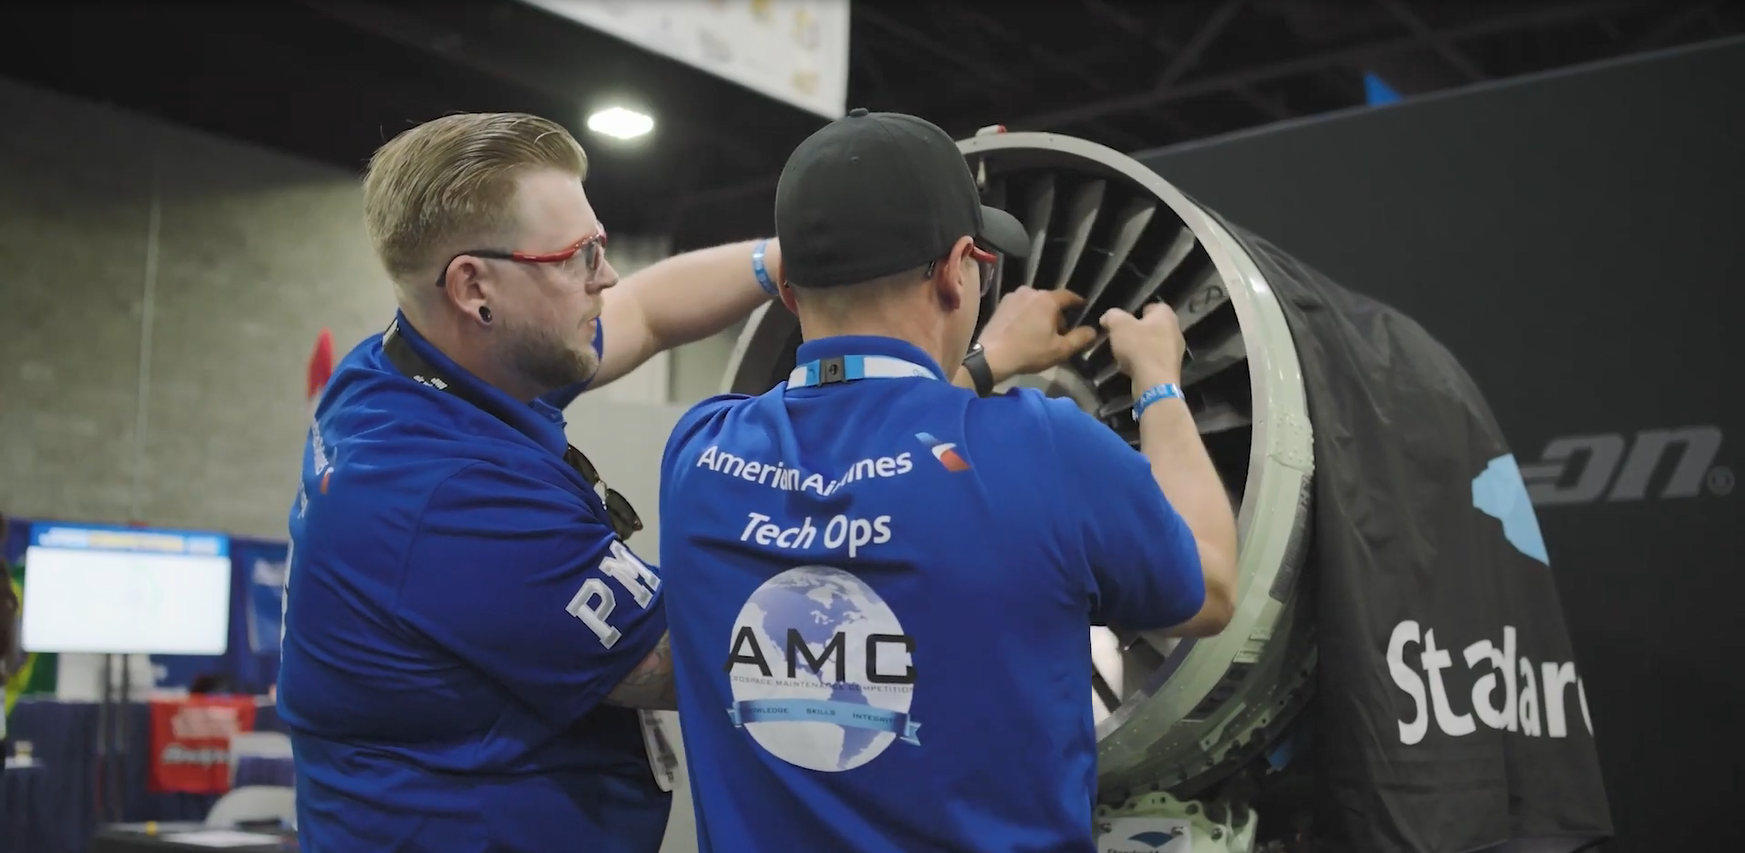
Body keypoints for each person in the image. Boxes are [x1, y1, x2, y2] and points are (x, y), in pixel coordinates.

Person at [657, 109, 1241, 853]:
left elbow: (873, 458)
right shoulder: (1046, 447)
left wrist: (984, 364)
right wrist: (1158, 381)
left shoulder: (699, 456)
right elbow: (1211, 584)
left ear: (789, 290)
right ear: (953, 269)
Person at [277, 111, 784, 853]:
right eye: (577, 256)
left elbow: (642, 312)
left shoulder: (411, 368)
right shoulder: (443, 493)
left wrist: (786, 260)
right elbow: (693, 659)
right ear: (474, 286)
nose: (604, 276)